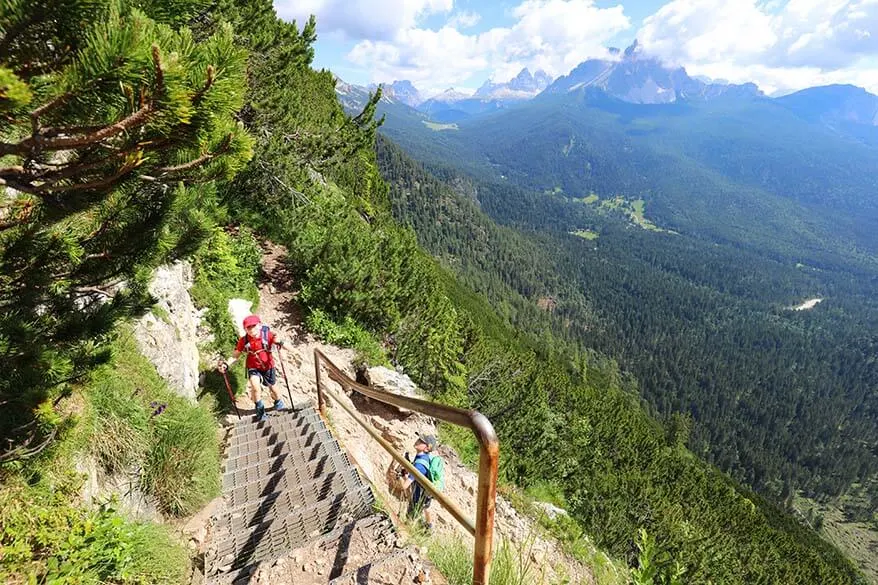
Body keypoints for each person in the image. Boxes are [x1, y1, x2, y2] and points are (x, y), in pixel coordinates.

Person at [218, 314, 286, 421]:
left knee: (273, 388)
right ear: (245, 329)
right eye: (248, 328)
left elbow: (279, 342)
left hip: (268, 366)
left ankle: (278, 401)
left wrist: (280, 342)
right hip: (253, 366)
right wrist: (226, 364)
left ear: (259, 325)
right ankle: (260, 410)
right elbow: (236, 354)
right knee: (255, 387)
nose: (251, 329)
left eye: (253, 326)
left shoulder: (267, 335)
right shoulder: (244, 340)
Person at [400, 433, 437, 531]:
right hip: (427, 492)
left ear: (427, 448)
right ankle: (429, 527)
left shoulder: (419, 465)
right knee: (427, 507)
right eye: (419, 439)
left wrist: (404, 476)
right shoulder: (424, 457)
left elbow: (404, 486)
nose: (418, 440)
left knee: (410, 517)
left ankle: (408, 533)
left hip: (419, 496)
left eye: (422, 441)